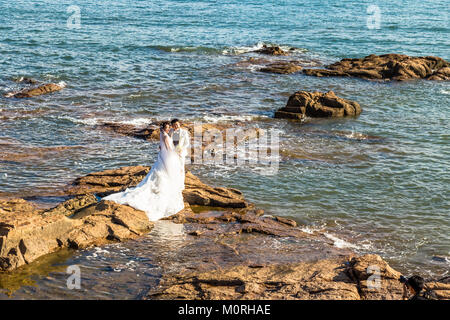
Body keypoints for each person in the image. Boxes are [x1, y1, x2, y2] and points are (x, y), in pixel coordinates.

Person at [102, 122, 184, 221]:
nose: (168, 129)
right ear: (164, 128)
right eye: (167, 128)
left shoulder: (162, 134)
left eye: (168, 127)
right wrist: (178, 153)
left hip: (162, 156)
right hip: (167, 157)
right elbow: (169, 149)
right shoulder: (166, 136)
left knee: (159, 171)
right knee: (166, 172)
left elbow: (160, 146)